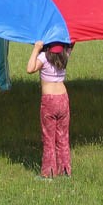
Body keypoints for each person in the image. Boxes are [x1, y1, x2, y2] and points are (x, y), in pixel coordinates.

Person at [27, 41, 72, 179]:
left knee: (49, 138)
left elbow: (30, 69)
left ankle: (49, 173)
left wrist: (36, 49)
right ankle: (65, 171)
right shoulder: (65, 55)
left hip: (49, 100)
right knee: (63, 136)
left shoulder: (44, 57)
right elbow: (72, 43)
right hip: (63, 99)